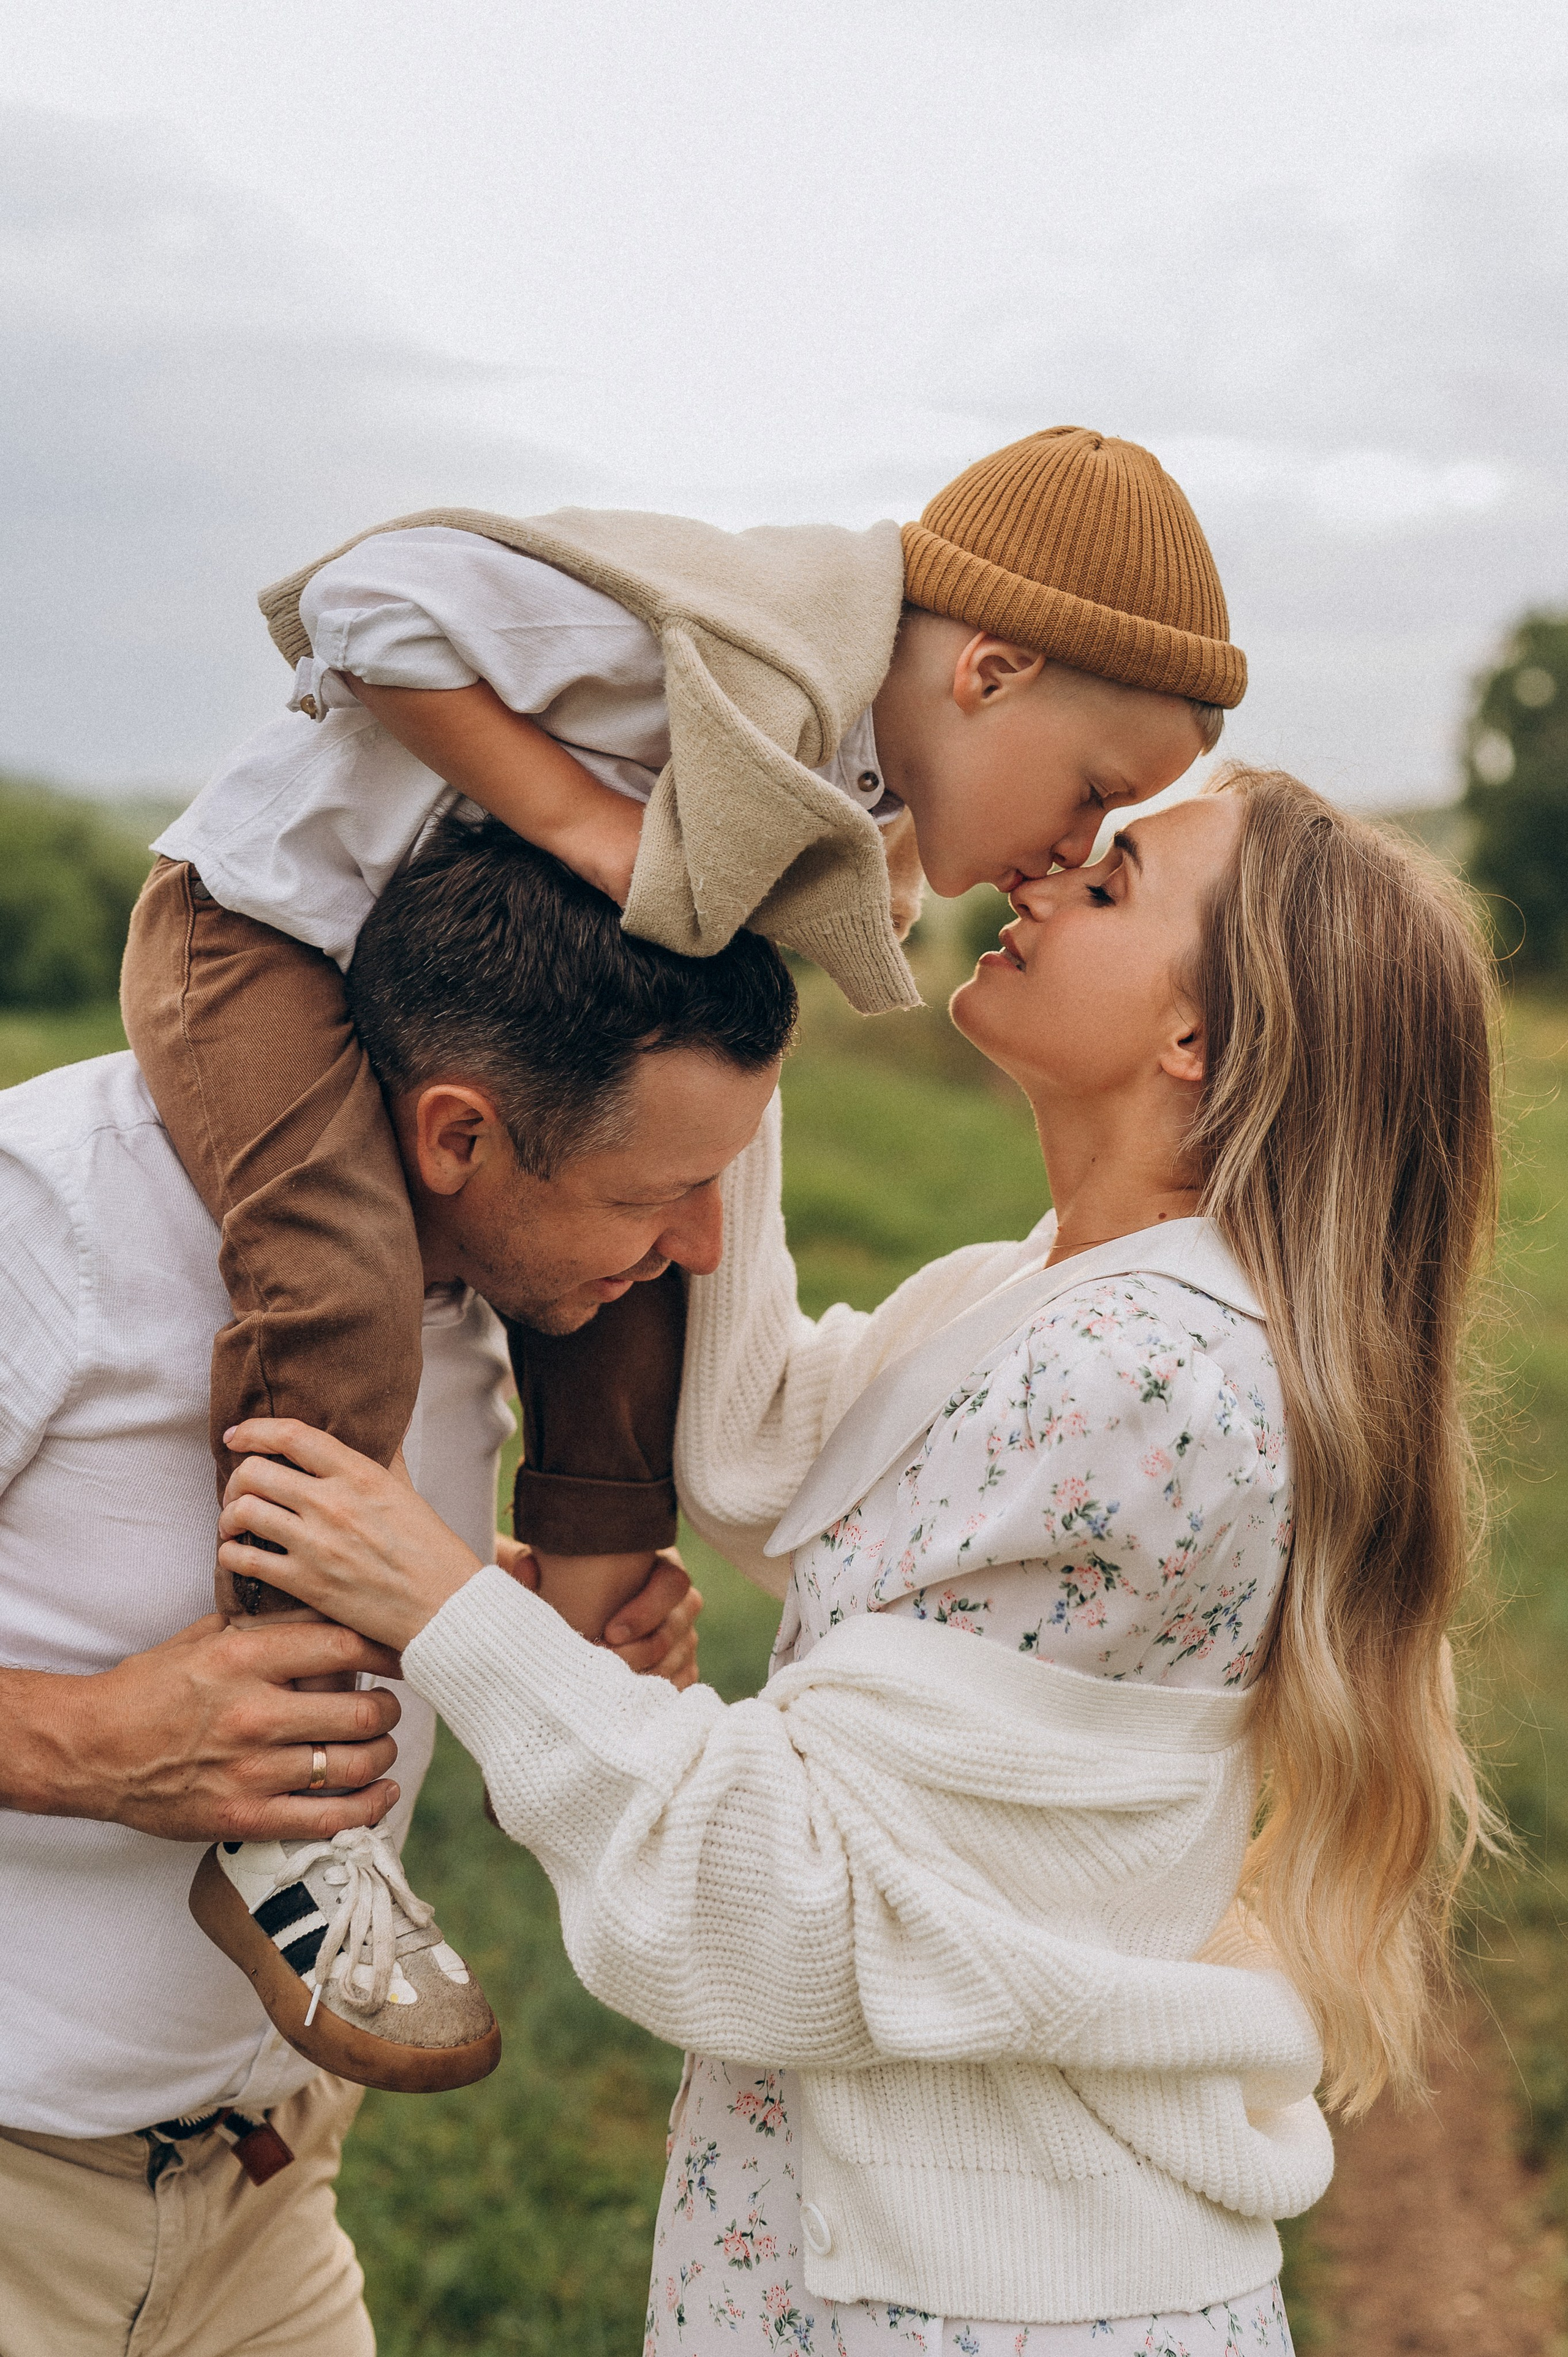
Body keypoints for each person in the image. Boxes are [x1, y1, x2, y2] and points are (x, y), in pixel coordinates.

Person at [217, 769, 1499, 2353]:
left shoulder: (1143, 1377)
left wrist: (450, 1610)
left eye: (1110, 887)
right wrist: (756, 950)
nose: (1039, 877)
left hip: (974, 2305)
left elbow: (792, 1904)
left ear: (1199, 1041)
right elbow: (761, 1444)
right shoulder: (1047, 1294)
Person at [123, 422, 1243, 2086]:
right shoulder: (737, 636)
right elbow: (365, 600)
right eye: (1094, 796)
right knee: (338, 1283)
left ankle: (573, 1708)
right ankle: (293, 1822)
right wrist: (576, 818)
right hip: (269, 935)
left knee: (632, 1303)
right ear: (990, 672)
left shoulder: (870, 781)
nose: (1073, 849)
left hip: (484, 1002)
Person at [0, 827, 789, 2356]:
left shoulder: (482, 1294)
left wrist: (497, 1645)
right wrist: (87, 1740)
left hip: (265, 2199)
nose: (696, 1244)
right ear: (456, 1136)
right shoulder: (47, 1213)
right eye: (666, 1190)